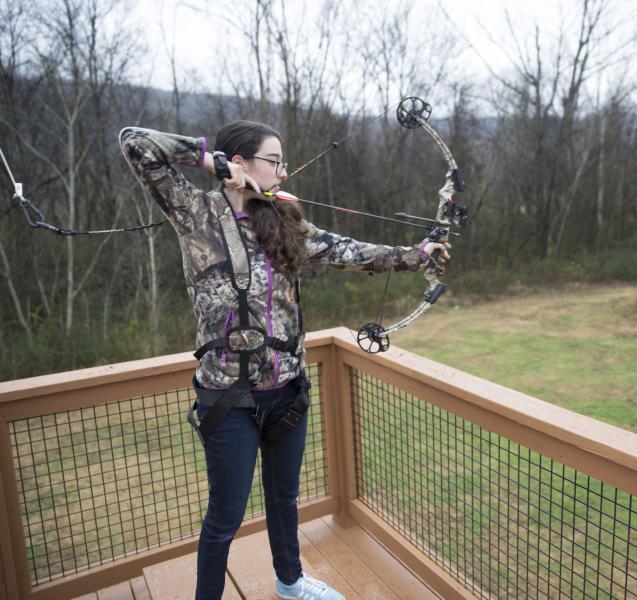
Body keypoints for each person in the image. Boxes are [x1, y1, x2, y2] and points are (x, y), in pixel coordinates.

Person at [119, 121, 451, 600]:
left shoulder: (284, 220)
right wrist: (211, 163)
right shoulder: (195, 212)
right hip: (227, 396)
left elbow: (349, 251)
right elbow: (136, 142)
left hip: (286, 389)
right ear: (241, 163)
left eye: (282, 161)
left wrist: (416, 255)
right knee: (226, 515)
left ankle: (290, 582)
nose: (283, 170)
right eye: (273, 161)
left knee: (283, 497)